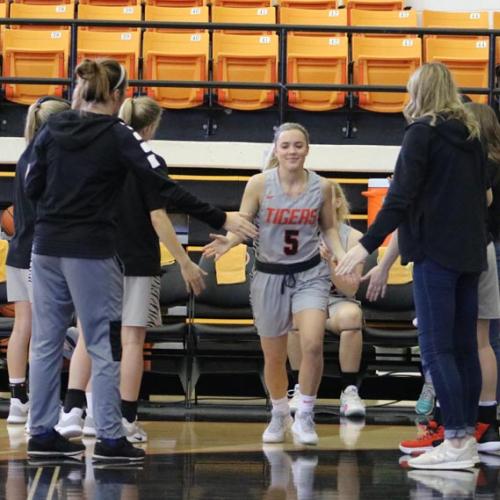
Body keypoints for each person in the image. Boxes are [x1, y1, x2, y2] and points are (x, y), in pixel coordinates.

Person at [25, 58, 256, 462]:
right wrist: (219, 216)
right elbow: (161, 187)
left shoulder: (53, 128)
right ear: (118, 95)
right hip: (91, 250)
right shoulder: (118, 134)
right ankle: (111, 437)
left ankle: (41, 433)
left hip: (45, 247)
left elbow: (30, 184)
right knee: (105, 342)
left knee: (46, 341)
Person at [336, 62, 487, 469]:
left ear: (419, 91)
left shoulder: (422, 133)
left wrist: (365, 245)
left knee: (438, 350)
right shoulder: (470, 135)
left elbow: (399, 199)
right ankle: (464, 436)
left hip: (436, 253)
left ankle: (455, 441)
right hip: (470, 253)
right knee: (464, 348)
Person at [204, 122, 344, 445]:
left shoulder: (322, 187)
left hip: (310, 273)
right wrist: (229, 241)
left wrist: (340, 255)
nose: (292, 151)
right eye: (286, 146)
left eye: (298, 145)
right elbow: (241, 223)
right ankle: (280, 412)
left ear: (307, 149)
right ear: (276, 151)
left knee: (311, 343)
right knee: (274, 354)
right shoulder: (258, 184)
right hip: (269, 275)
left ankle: (306, 412)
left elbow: (330, 229)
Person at [5, 96, 71, 426]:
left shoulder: (25, 156)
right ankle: (43, 403)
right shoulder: (50, 159)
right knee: (43, 331)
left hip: (18, 250)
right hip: (37, 252)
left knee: (23, 326)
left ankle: (18, 399)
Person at [288, 181, 365, 419]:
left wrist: (330, 262)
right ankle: (299, 388)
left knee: (352, 315)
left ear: (338, 202)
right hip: (306, 298)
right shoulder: (297, 233)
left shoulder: (353, 238)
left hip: (338, 300)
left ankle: (349, 390)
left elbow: (351, 289)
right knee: (291, 316)